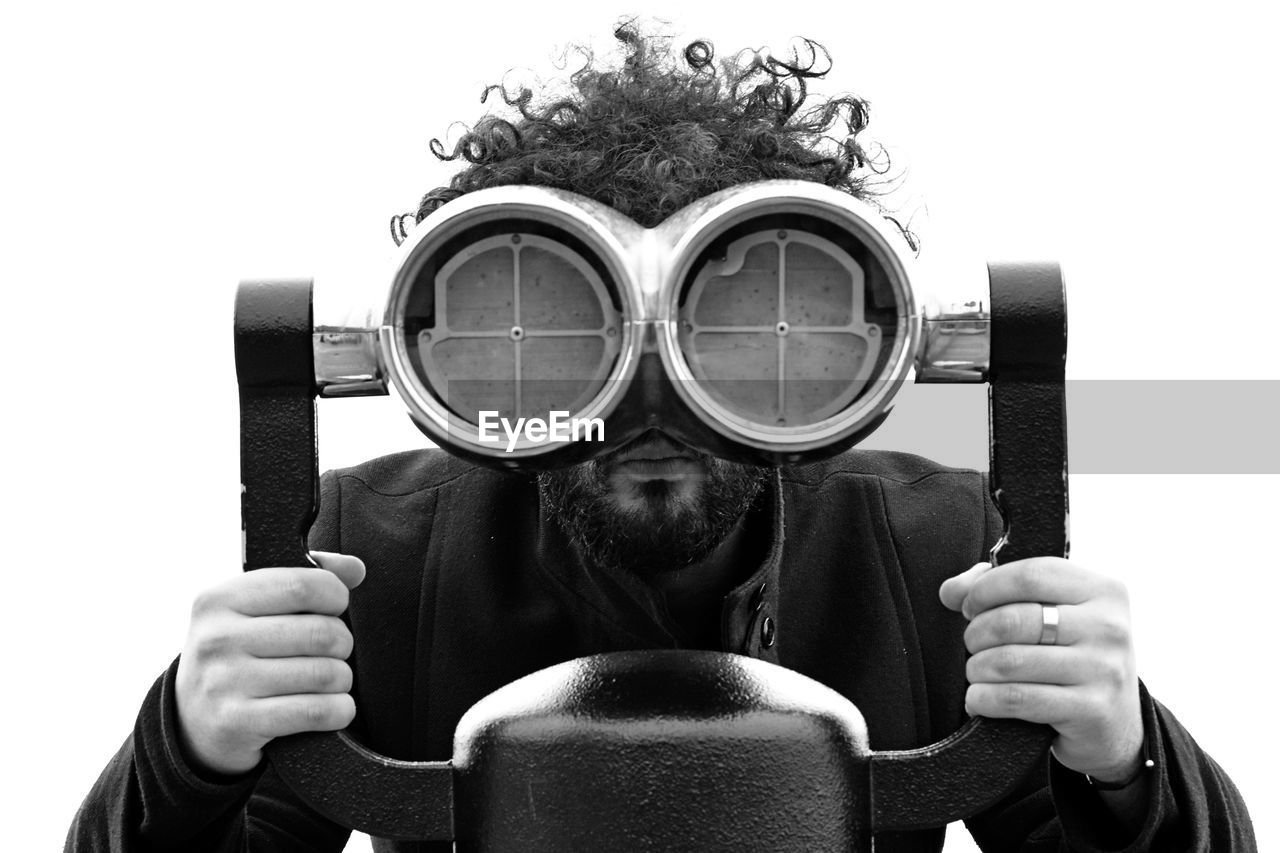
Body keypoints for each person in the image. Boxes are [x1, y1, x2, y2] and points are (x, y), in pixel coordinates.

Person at [67, 24, 1255, 852]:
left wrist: (1117, 751)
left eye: (733, 336)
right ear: (458, 350)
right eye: (571, 339)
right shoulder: (363, 553)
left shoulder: (943, 552)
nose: (651, 407)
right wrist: (191, 746)